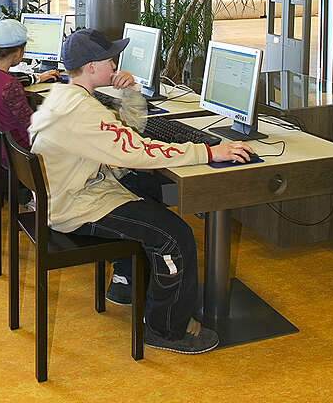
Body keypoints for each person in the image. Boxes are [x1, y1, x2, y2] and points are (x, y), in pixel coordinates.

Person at [29, 28, 254, 355]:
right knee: (175, 234)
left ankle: (126, 282)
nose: (115, 64)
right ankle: (167, 330)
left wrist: (131, 92)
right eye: (110, 60)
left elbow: (125, 135)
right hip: (72, 207)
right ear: (92, 67)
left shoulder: (68, 96)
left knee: (144, 185)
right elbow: (138, 149)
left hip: (72, 192)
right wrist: (207, 153)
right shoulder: (82, 111)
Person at [0, 19, 59, 164]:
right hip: (19, 157)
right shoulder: (10, 85)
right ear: (18, 52)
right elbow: (31, 126)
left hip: (0, 151)